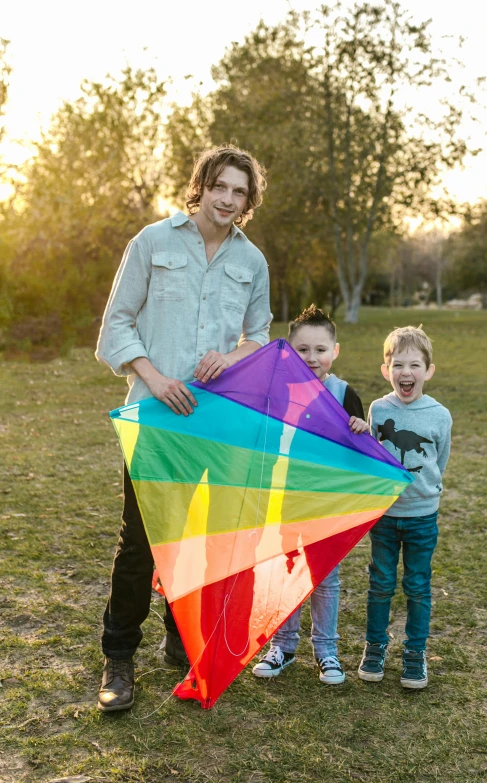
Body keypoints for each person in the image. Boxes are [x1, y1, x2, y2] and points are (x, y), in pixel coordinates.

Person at [95, 144, 272, 711]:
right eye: (219, 186)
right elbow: (116, 325)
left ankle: (181, 634)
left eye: (239, 191)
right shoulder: (152, 242)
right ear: (202, 186)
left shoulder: (252, 261)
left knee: (196, 536)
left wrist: (235, 355)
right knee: (141, 544)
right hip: (154, 414)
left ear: (248, 201)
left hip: (218, 423)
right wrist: (156, 376)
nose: (227, 198)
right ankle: (118, 659)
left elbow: (260, 334)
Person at [252, 304, 369, 685]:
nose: (312, 357)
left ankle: (327, 652)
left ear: (335, 351)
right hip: (286, 499)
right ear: (288, 350)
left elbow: (360, 452)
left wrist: (360, 429)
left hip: (327, 504)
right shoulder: (277, 392)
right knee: (285, 572)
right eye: (303, 349)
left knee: (325, 577)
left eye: (320, 349)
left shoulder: (344, 393)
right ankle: (283, 647)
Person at [358, 325, 452, 689]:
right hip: (384, 516)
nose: (405, 373)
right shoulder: (379, 410)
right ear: (386, 370)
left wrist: (425, 491)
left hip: (422, 517)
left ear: (428, 371)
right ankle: (375, 648)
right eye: (398, 365)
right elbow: (375, 453)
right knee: (380, 584)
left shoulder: (439, 415)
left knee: (417, 585)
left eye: (414, 365)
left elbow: (439, 459)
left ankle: (415, 653)